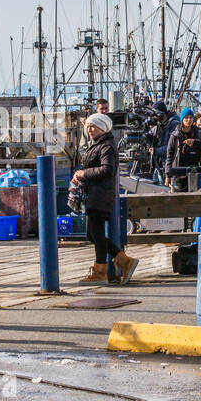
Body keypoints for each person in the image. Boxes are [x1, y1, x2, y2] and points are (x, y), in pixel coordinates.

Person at [73, 113, 140, 284]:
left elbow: (107, 169)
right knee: (93, 234)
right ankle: (123, 260)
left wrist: (84, 173)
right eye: (88, 126)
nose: (90, 129)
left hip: (100, 195)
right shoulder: (98, 144)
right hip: (95, 194)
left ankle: (101, 270)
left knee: (96, 234)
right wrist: (80, 175)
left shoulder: (107, 146)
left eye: (93, 126)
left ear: (103, 128)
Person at [165, 107, 201, 183]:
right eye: (186, 118)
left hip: (194, 169)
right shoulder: (175, 135)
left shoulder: (198, 133)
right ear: (182, 119)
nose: (189, 120)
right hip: (178, 170)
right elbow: (169, 155)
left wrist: (195, 143)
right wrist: (168, 175)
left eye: (191, 117)